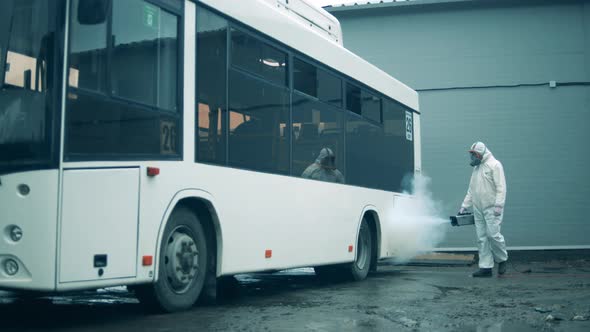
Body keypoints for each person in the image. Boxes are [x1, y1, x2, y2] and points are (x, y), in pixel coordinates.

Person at [459, 142, 508, 277]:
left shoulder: (495, 165)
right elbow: (471, 189)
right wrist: (464, 206)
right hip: (478, 208)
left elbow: (501, 188)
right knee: (481, 238)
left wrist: (499, 205)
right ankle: (485, 267)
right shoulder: (476, 169)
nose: (472, 157)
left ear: (481, 154)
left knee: (493, 235)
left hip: (492, 208)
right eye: (471, 154)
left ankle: (502, 259)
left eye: (474, 154)